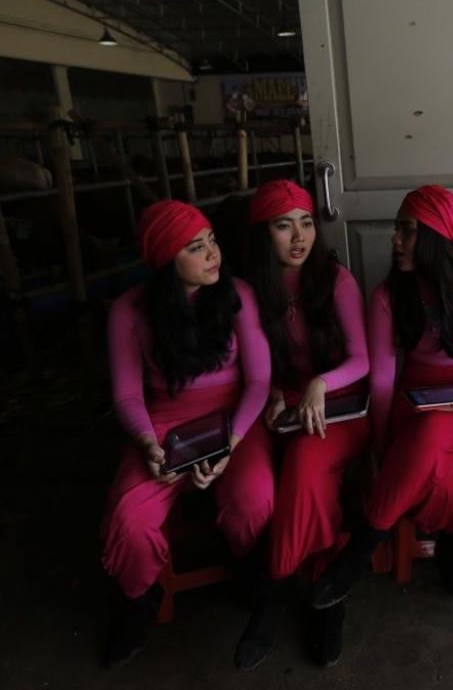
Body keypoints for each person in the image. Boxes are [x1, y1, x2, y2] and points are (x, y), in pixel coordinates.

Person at [309, 184, 453, 612]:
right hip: (413, 402)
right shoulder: (388, 295)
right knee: (427, 445)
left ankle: (360, 549)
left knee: (433, 431)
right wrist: (383, 441)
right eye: (396, 230)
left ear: (437, 238)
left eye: (407, 230)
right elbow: (383, 379)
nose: (395, 240)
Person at [100, 200, 272, 667]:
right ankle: (140, 600)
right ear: (165, 260)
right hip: (162, 423)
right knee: (128, 521)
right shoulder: (128, 311)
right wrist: (147, 444)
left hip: (235, 418)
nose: (213, 254)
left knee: (253, 501)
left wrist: (230, 444)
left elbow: (259, 382)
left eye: (212, 240)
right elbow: (127, 396)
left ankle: (247, 568)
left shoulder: (239, 294)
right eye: (197, 248)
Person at [232, 180, 371, 670]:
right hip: (279, 403)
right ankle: (321, 591)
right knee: (265, 479)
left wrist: (321, 383)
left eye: (307, 222)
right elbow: (251, 364)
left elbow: (361, 360)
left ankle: (279, 591)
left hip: (341, 403)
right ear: (261, 234)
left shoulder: (336, 280)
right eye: (283, 225)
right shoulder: (248, 289)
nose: (299, 236)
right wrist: (271, 391)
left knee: (307, 465)